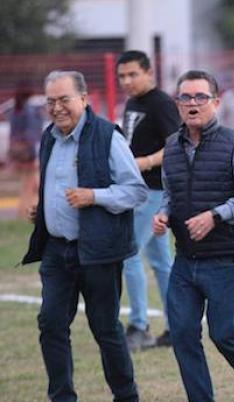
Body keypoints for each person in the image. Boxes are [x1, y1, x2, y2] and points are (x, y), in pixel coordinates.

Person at [21, 70, 147, 402]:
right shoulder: (48, 137)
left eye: (64, 99)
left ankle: (126, 396)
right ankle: (61, 397)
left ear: (84, 99)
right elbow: (54, 185)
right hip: (56, 252)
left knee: (105, 329)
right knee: (50, 325)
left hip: (99, 252)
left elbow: (135, 191)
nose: (57, 108)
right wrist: (43, 210)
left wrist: (95, 196)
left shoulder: (108, 137)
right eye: (51, 101)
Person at [153, 70, 234, 402]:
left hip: (225, 256)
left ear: (216, 102)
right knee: (182, 334)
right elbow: (170, 194)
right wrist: (163, 214)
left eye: (200, 97)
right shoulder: (171, 147)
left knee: (223, 333)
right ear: (177, 103)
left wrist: (215, 215)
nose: (192, 104)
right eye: (185, 97)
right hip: (185, 258)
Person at [117, 50, 179, 351]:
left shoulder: (162, 103)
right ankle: (176, 327)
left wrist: (146, 162)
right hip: (135, 190)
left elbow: (177, 146)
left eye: (132, 74)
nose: (126, 81)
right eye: (122, 76)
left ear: (148, 73)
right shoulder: (132, 103)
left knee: (129, 254)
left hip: (152, 190)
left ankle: (139, 326)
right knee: (160, 261)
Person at [8, 80, 44, 218]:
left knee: (27, 183)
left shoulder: (16, 110)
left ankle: (22, 211)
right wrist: (36, 154)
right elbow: (32, 134)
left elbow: (13, 133)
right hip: (30, 152)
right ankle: (26, 212)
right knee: (31, 184)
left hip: (20, 152)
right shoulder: (30, 109)